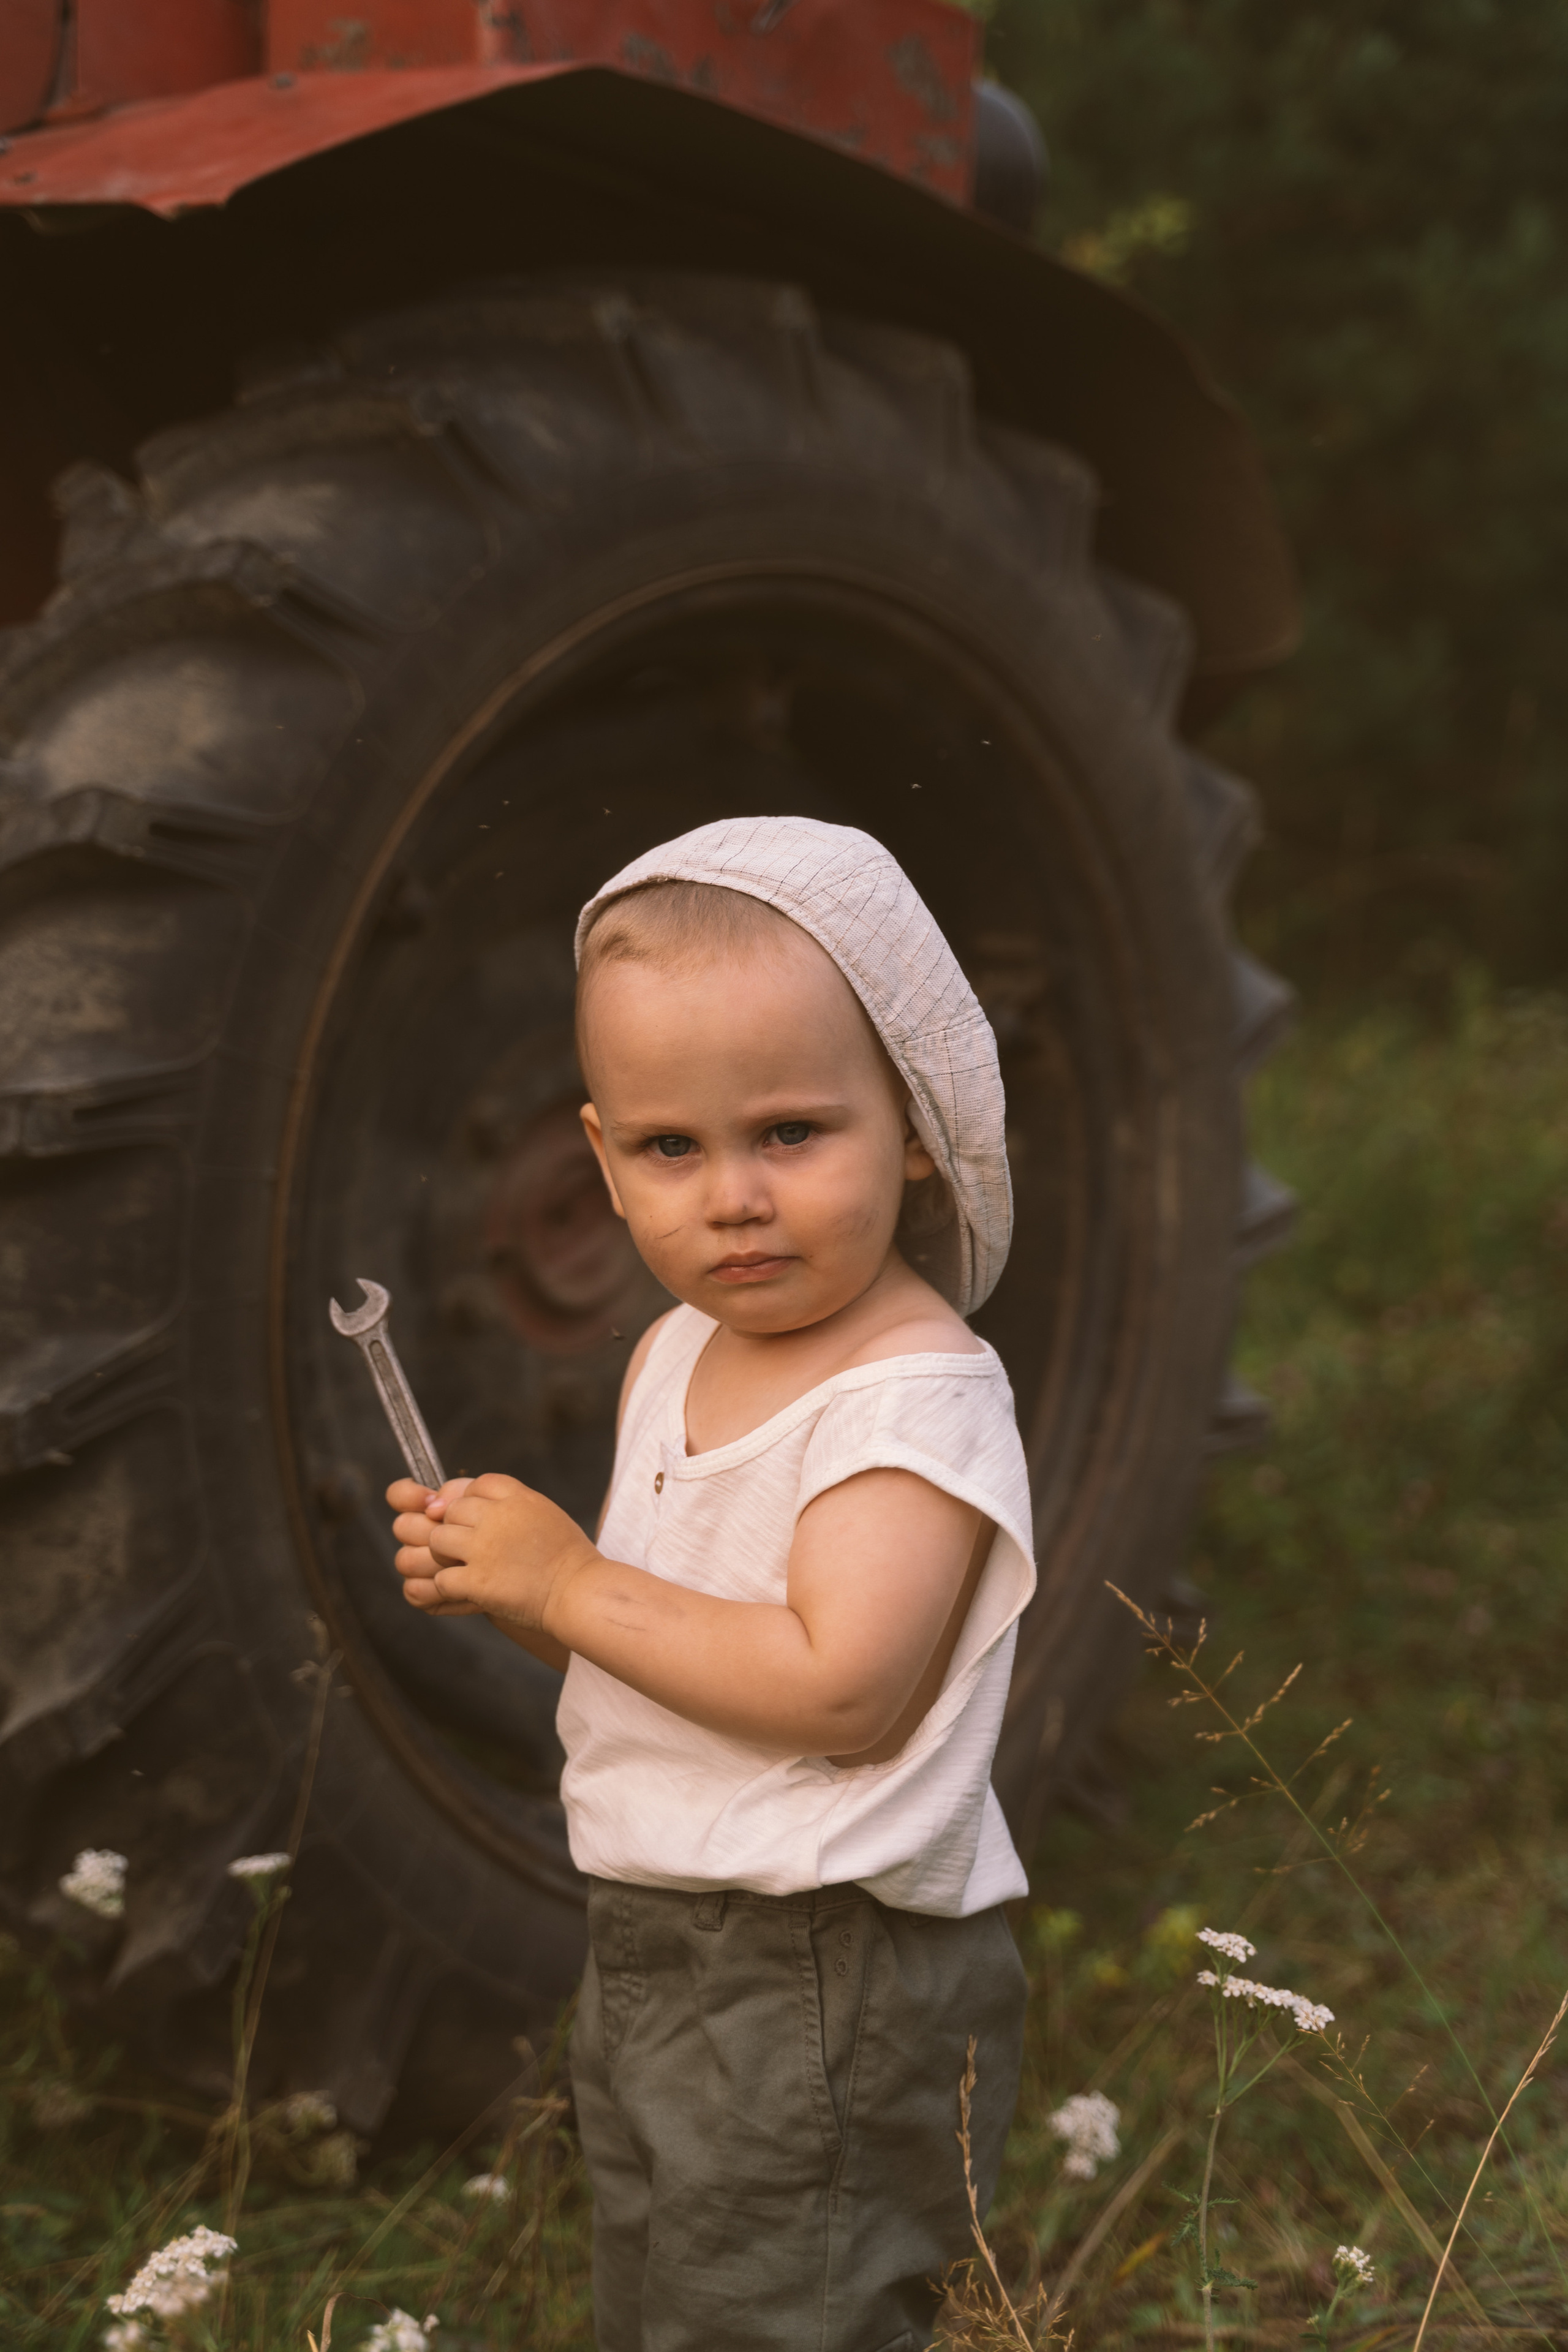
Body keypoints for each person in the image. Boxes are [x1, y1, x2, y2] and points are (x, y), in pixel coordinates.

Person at [388, 815, 1036, 2352]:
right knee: (670, 2288)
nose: (731, 1197)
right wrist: (522, 1592)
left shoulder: (908, 1399)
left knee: (780, 2307)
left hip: (825, 1957)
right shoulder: (676, 1351)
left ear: (916, 1123)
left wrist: (568, 1593)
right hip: (662, 1930)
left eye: (792, 1134)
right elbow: (681, 1655)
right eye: (673, 1149)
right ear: (603, 1161)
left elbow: (842, 1693)